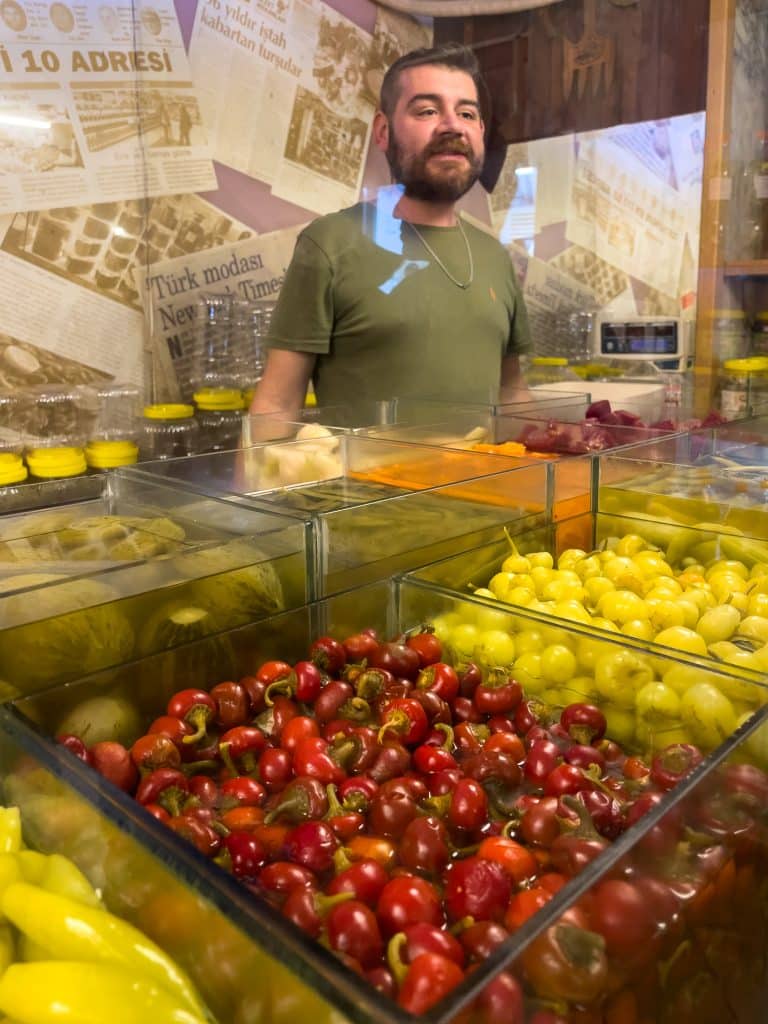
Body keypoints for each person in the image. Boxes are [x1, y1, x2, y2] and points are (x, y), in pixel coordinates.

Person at [250, 43, 530, 417]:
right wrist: (256, 475)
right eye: (428, 110)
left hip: (487, 476)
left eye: (466, 113)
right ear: (383, 131)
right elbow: (277, 404)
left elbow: (512, 393)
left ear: (480, 131)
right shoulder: (329, 244)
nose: (451, 125)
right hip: (362, 477)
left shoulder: (496, 258)